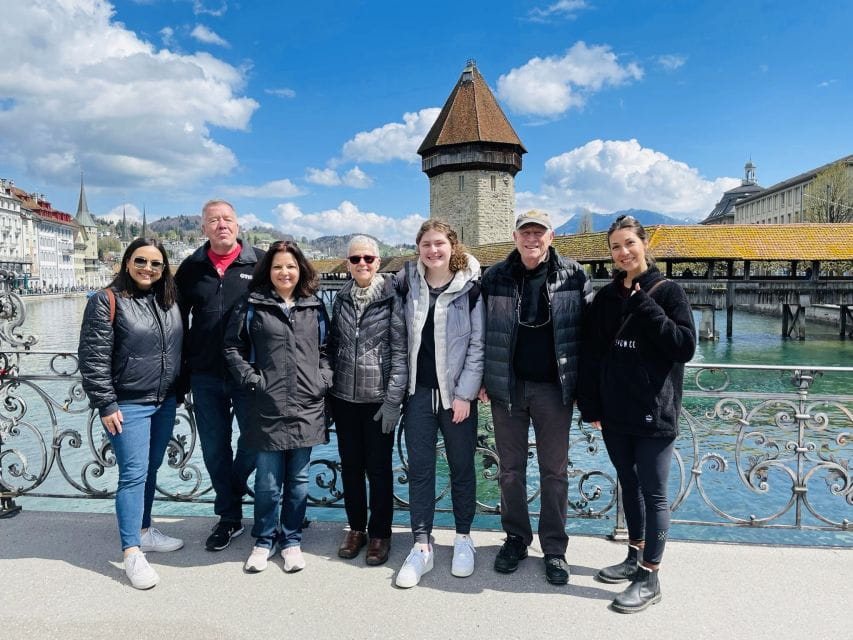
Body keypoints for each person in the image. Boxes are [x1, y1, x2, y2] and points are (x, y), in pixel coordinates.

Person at [578, 214, 696, 613]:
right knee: (628, 484)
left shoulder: (668, 292)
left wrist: (645, 304)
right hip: (615, 412)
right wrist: (591, 404)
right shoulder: (606, 298)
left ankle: (651, 576)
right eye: (615, 246)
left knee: (655, 493)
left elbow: (683, 347)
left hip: (654, 411)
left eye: (629, 243)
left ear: (644, 245)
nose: (623, 252)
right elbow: (592, 355)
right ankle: (634, 555)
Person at [479, 209, 592, 586]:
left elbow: (591, 331)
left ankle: (555, 548)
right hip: (507, 387)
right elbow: (480, 332)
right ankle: (516, 538)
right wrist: (480, 379)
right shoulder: (495, 276)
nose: (532, 239)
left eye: (538, 233)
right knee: (510, 470)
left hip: (553, 388)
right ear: (515, 237)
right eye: (525, 233)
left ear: (551, 236)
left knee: (554, 471)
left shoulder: (573, 275)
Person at [78, 238, 183, 590]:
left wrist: (178, 391)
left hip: (164, 400)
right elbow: (93, 359)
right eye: (141, 261)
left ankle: (144, 529)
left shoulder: (167, 300)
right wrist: (106, 403)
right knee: (133, 474)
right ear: (126, 263)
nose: (148, 269)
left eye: (156, 264)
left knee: (150, 467)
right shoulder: (105, 301)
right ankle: (131, 552)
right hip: (128, 404)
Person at [224, 241, 332, 573]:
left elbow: (327, 348)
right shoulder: (252, 304)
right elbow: (232, 347)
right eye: (277, 267)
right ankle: (263, 539)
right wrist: (251, 379)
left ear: (301, 270)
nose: (284, 272)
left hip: (306, 402)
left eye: (290, 266)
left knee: (299, 479)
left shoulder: (314, 306)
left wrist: (323, 378)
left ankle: (291, 540)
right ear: (267, 271)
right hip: (266, 403)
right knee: (268, 480)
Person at [394, 220, 483, 588]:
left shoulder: (470, 287)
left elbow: (477, 344)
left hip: (456, 397)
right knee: (420, 471)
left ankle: (463, 537)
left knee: (462, 466)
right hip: (418, 393)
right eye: (426, 244)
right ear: (419, 248)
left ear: (452, 246)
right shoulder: (407, 283)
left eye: (440, 244)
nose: (433, 251)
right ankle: (421, 544)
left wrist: (464, 393)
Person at [175, 200, 264, 551]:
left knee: (256, 441)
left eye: (227, 219)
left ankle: (233, 488)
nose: (221, 225)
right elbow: (176, 323)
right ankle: (229, 518)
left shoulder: (258, 263)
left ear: (238, 225)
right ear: (203, 228)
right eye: (213, 220)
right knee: (214, 449)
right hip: (205, 374)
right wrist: (179, 373)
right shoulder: (191, 268)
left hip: (248, 372)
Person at [326, 236, 407, 566]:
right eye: (356, 259)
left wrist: (393, 402)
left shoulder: (392, 299)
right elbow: (331, 348)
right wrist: (329, 395)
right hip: (344, 397)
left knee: (379, 469)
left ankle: (380, 534)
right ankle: (356, 528)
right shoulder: (340, 299)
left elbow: (400, 355)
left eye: (368, 258)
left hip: (377, 400)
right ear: (347, 263)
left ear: (379, 262)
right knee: (351, 468)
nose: (362, 264)